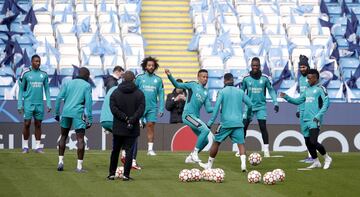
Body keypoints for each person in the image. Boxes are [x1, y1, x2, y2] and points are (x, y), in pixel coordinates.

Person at [280, 69, 332, 169]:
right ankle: (316, 162)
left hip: (314, 120)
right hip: (305, 120)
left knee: (313, 141)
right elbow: (298, 101)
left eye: (309, 78)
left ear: (316, 78)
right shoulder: (307, 90)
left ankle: (327, 158)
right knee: (308, 142)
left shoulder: (321, 88)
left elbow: (327, 103)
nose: (307, 80)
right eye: (307, 78)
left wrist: (318, 116)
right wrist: (286, 97)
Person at [199, 73, 252, 172]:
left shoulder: (222, 92)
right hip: (238, 123)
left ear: (224, 81)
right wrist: (247, 115)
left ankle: (209, 165)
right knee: (241, 144)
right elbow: (250, 104)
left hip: (225, 123)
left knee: (216, 142)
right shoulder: (240, 92)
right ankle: (243, 164)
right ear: (233, 81)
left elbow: (216, 108)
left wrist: (210, 123)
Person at [165, 68, 213, 163]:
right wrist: (170, 75)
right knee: (205, 130)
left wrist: (220, 107)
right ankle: (195, 154)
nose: (205, 79)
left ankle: (190, 157)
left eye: (207, 77)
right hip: (187, 115)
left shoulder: (206, 92)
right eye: (203, 77)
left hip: (195, 117)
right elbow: (177, 85)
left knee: (206, 141)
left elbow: (208, 109)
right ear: (198, 77)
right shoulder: (192, 85)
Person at [107, 71, 145, 181]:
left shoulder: (115, 92)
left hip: (119, 126)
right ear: (134, 80)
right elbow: (141, 110)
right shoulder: (139, 93)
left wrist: (124, 117)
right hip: (132, 127)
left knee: (115, 150)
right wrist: (131, 119)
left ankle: (111, 174)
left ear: (123, 79)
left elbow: (113, 108)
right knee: (129, 151)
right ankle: (126, 175)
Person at [55, 67, 93, 172]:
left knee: (63, 136)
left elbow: (58, 98)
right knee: (80, 139)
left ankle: (60, 162)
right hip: (78, 113)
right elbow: (89, 103)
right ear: (86, 76)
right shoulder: (86, 86)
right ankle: (79, 167)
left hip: (66, 112)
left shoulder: (68, 83)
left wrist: (57, 113)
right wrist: (89, 118)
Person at [241, 57, 279, 157]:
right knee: (243, 127)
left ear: (260, 66)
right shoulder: (246, 78)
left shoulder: (265, 78)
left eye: (257, 65)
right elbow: (241, 92)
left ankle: (266, 150)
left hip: (261, 107)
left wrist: (275, 102)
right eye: (253, 65)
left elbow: (271, 90)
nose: (255, 67)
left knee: (262, 127)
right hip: (249, 107)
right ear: (251, 66)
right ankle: (241, 149)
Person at [101, 86, 142, 170]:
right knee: (132, 135)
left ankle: (122, 156)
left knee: (119, 138)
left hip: (104, 120)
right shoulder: (125, 92)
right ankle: (131, 161)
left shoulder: (112, 90)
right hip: (113, 120)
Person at [17, 55, 51, 153]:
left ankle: (37, 147)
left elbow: (47, 90)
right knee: (27, 124)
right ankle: (25, 146)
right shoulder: (26, 73)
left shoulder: (44, 74)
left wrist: (48, 103)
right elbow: (21, 90)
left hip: (39, 104)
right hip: (28, 103)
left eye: (39, 61)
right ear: (32, 62)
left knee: (38, 124)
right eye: (36, 61)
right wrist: (20, 104)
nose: (38, 63)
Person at [135, 56, 165, 156]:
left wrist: (161, 108)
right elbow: (133, 91)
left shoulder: (158, 80)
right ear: (145, 66)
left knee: (150, 126)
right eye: (149, 65)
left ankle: (150, 149)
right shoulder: (139, 78)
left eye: (152, 65)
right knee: (134, 128)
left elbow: (161, 94)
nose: (151, 67)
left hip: (152, 107)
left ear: (155, 66)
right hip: (140, 106)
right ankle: (128, 148)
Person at [297, 55, 313, 163]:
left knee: (312, 133)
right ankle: (310, 155)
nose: (302, 69)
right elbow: (300, 95)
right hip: (302, 109)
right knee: (305, 133)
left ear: (307, 67)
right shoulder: (300, 79)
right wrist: (298, 109)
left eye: (304, 67)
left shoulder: (312, 78)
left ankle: (313, 156)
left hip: (310, 110)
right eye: (300, 67)